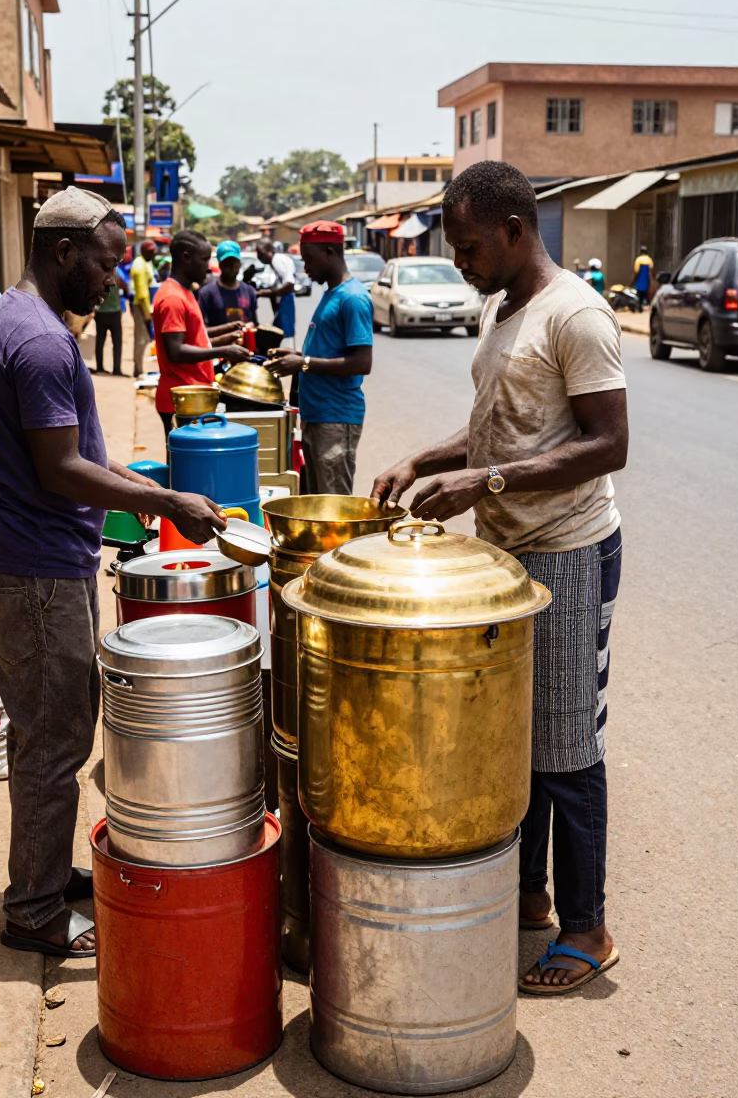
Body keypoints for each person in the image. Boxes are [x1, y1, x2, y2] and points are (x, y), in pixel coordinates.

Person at [371, 161, 628, 996]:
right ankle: (531, 896)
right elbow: (498, 427)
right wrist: (425, 458)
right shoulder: (500, 306)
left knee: (564, 745)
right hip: (509, 551)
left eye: (471, 245)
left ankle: (588, 928)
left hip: (567, 549)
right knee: (515, 742)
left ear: (517, 231)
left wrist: (481, 485)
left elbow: (606, 444)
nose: (461, 263)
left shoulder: (577, 315)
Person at [0, 186, 227, 957]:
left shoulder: (11, 315)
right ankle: (34, 910)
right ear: (64, 252)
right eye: (108, 264)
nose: (116, 280)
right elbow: (60, 470)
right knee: (54, 739)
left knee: (52, 727)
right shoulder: (43, 342)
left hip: (33, 556)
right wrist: (171, 496)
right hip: (37, 566)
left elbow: (77, 455)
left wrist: (146, 492)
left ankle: (45, 870)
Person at [265, 221, 373, 494]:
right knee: (316, 505)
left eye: (309, 259)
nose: (306, 267)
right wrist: (295, 355)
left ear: (329, 252)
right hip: (316, 417)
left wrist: (303, 363)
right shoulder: (331, 294)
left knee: (333, 509)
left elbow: (362, 362)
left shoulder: (353, 298)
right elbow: (327, 353)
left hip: (336, 418)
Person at [153, 230, 250, 438]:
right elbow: (176, 351)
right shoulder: (173, 298)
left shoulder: (185, 292)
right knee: (185, 467)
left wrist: (227, 334)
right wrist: (224, 350)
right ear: (186, 258)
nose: (208, 267)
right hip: (182, 398)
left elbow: (196, 337)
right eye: (204, 259)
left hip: (193, 395)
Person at [198, 241, 259, 329]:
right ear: (220, 265)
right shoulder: (207, 293)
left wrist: (251, 327)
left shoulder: (249, 292)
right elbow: (201, 328)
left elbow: (254, 323)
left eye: (234, 263)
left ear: (239, 263)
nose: (231, 267)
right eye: (227, 263)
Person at [255, 237, 296, 339]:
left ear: (269, 251)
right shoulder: (273, 262)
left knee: (283, 335)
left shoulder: (277, 260)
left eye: (261, 253)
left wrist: (268, 293)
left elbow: (289, 284)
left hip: (285, 300)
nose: (259, 257)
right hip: (282, 300)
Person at [92, 270, 128, 376]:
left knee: (100, 341)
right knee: (117, 342)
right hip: (114, 313)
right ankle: (116, 369)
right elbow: (125, 287)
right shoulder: (116, 273)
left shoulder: (98, 274)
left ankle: (100, 368)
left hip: (101, 312)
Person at [130, 239, 157, 377]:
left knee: (142, 338)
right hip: (141, 306)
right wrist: (147, 314)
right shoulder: (140, 266)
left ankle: (138, 367)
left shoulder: (143, 263)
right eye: (151, 252)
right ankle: (138, 369)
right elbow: (142, 295)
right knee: (141, 339)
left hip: (142, 305)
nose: (153, 254)